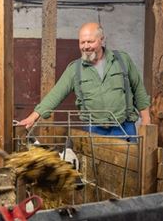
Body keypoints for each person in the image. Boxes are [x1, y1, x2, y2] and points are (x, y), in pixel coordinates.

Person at [18, 22, 151, 138]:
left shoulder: (122, 60)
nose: (86, 46)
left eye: (90, 41)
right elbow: (55, 94)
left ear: (101, 40)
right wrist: (33, 117)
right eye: (82, 42)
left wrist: (146, 121)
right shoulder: (75, 69)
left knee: (129, 165)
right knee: (94, 166)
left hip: (124, 127)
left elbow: (138, 89)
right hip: (94, 128)